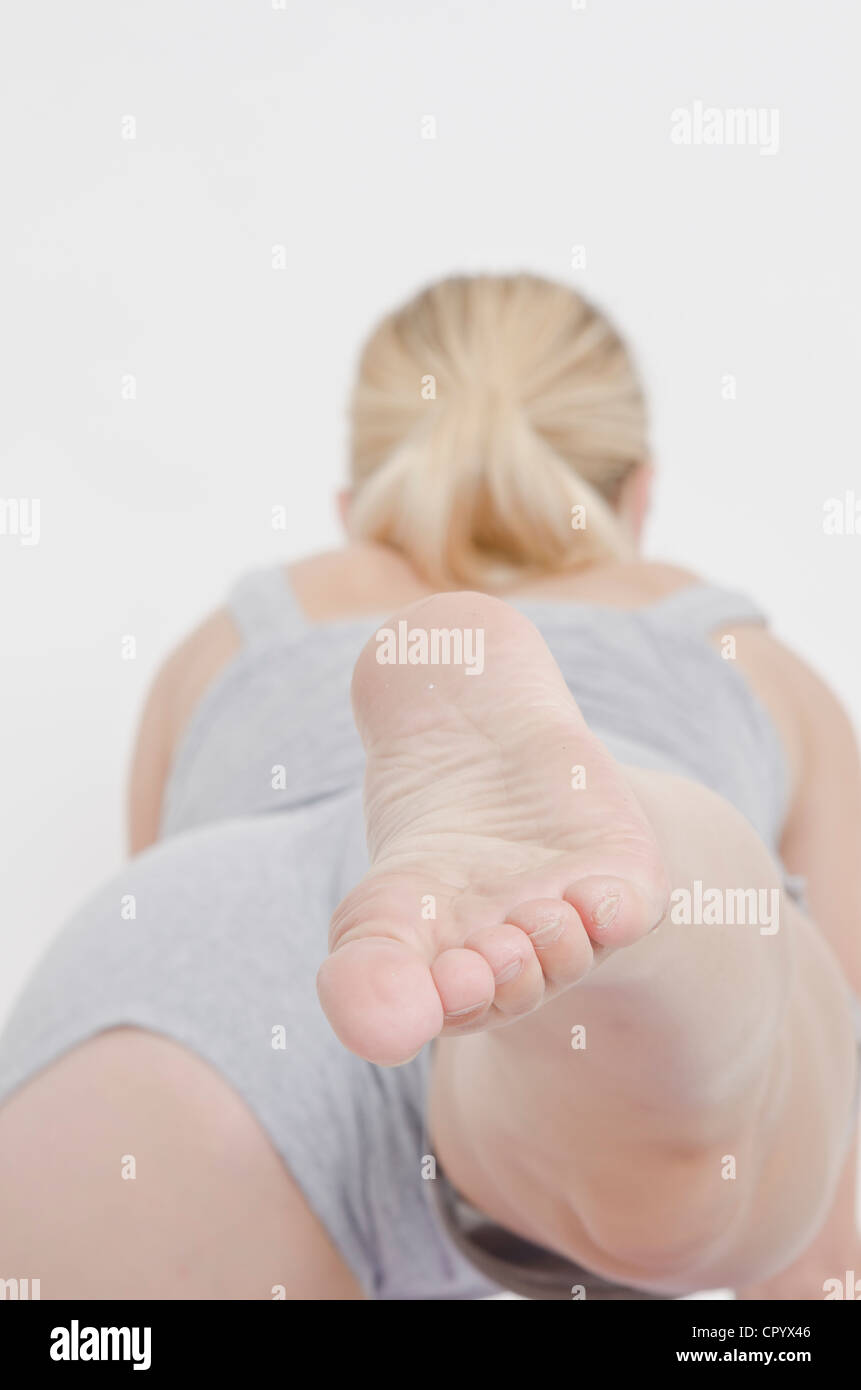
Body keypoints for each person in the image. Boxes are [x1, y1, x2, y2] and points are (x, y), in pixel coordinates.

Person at [0, 274, 858, 1301]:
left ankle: (606, 913)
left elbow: (152, 884)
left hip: (220, 954)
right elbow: (833, 1228)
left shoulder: (228, 639)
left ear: (354, 504)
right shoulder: (729, 641)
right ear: (639, 493)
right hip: (608, 863)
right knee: (721, 1167)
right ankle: (649, 892)